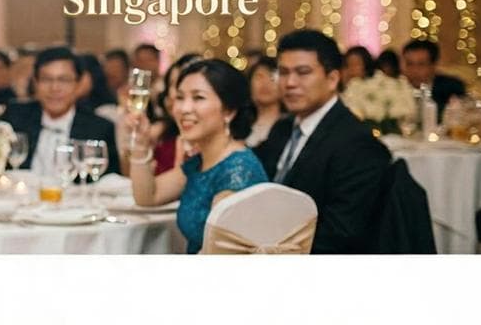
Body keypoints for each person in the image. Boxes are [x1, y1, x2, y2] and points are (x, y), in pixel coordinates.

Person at [254, 29, 391, 254]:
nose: (290, 83)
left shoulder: (358, 144)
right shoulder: (283, 128)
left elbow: (342, 232)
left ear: (332, 79)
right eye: (283, 72)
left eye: (303, 72)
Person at [127, 58, 266, 254]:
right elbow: (147, 196)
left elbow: (222, 256)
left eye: (198, 98)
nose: (184, 109)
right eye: (180, 97)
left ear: (229, 111)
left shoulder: (238, 170)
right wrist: (140, 143)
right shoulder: (201, 162)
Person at [3, 47, 119, 177]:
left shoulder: (99, 129)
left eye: (63, 80)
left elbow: (109, 182)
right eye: (47, 79)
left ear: (78, 84)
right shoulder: (15, 118)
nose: (54, 88)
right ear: (35, 83)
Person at [401, 39, 466, 120]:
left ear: (434, 65)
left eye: (421, 64)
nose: (414, 70)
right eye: (409, 64)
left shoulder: (452, 87)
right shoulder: (394, 88)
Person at [246, 56, 282, 146]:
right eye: (259, 77)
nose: (265, 83)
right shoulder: (239, 125)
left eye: (272, 78)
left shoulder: (291, 126)